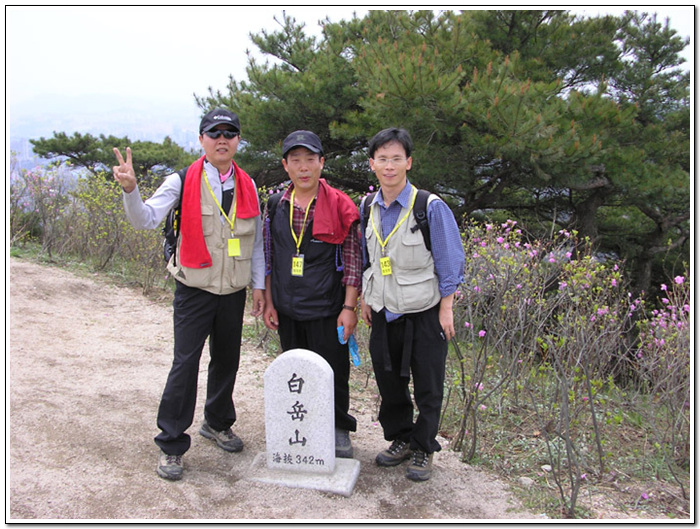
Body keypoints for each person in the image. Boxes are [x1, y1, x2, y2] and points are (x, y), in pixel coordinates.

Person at [112, 108, 266, 481]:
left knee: (227, 359)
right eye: (214, 133)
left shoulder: (248, 185)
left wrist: (259, 285)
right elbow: (144, 219)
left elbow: (257, 242)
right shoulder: (182, 180)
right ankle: (171, 443)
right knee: (186, 364)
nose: (222, 139)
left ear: (237, 141)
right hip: (194, 288)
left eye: (230, 133)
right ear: (202, 140)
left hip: (232, 290)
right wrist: (131, 190)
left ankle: (216, 422)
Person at [359, 127, 465, 481]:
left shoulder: (429, 206)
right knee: (389, 383)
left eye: (396, 159)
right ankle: (401, 438)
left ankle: (423, 447)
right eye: (382, 159)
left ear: (409, 162)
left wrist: (446, 308)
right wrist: (365, 299)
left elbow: (450, 261)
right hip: (384, 312)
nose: (389, 166)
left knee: (429, 386)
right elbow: (367, 258)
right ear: (372, 163)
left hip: (424, 312)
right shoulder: (367, 207)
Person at [262, 130, 361, 458]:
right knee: (295, 371)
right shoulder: (277, 204)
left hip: (328, 307)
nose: (303, 167)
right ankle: (301, 426)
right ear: (285, 166)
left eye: (310, 160)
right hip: (288, 307)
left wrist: (349, 307)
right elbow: (269, 256)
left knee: (334, 370)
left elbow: (352, 260)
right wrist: (270, 301)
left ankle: (338, 427)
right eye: (295, 161)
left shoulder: (340, 205)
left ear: (321, 163)